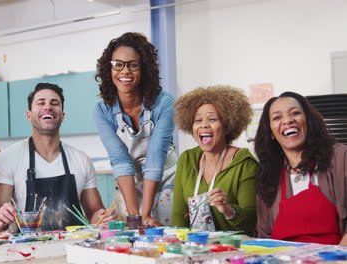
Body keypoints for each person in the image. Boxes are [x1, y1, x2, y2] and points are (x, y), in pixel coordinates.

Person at [0, 83, 117, 232]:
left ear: (62, 116)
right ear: (28, 115)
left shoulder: (81, 159)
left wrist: (103, 218)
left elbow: (94, 213)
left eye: (54, 103)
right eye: (41, 103)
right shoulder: (6, 159)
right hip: (28, 250)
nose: (48, 107)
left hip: (73, 247)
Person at [93, 32, 177, 226]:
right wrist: (135, 216)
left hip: (165, 179)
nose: (125, 71)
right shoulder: (102, 110)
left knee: (163, 235)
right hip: (129, 182)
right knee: (133, 232)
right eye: (118, 64)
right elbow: (120, 160)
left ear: (144, 69)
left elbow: (155, 156)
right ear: (109, 68)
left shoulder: (164, 103)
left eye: (133, 65)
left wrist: (146, 214)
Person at [255, 91, 347, 245]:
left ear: (308, 121)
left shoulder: (340, 157)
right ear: (271, 132)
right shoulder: (268, 175)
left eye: (295, 113)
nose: (287, 120)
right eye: (277, 117)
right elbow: (264, 236)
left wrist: (337, 257)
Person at [172, 85, 257, 236]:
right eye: (198, 120)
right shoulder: (187, 160)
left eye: (212, 119)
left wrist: (228, 210)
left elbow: (252, 221)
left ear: (227, 126)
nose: (204, 124)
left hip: (234, 248)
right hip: (194, 247)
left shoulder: (245, 164)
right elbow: (179, 216)